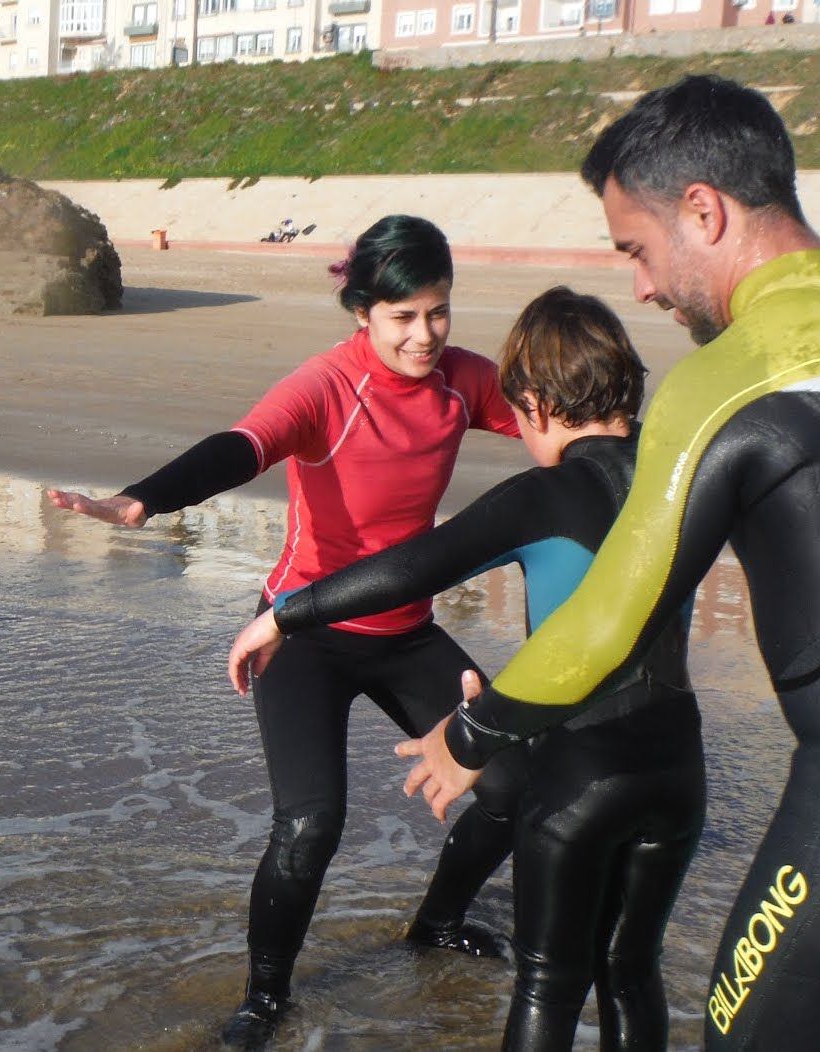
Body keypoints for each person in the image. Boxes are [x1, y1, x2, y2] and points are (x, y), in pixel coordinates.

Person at [397, 74, 820, 1050]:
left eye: (635, 250)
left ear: (702, 211)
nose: (638, 287)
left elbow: (608, 620)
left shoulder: (729, 374)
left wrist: (467, 735)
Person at [47, 215, 523, 1048]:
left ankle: (436, 923)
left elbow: (557, 422)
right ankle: (265, 997)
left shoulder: (463, 381)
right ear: (363, 313)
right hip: (300, 632)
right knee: (311, 825)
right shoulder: (328, 388)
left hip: (407, 632)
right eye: (403, 317)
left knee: (514, 785)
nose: (424, 335)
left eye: (438, 313)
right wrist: (144, 498)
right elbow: (242, 445)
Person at [227, 286, 704, 1051]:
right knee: (631, 971)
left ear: (541, 405)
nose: (521, 434)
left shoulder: (545, 495)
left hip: (580, 778)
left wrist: (284, 613)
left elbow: (409, 569)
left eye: (518, 417)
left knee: (548, 983)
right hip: (680, 777)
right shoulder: (687, 473)